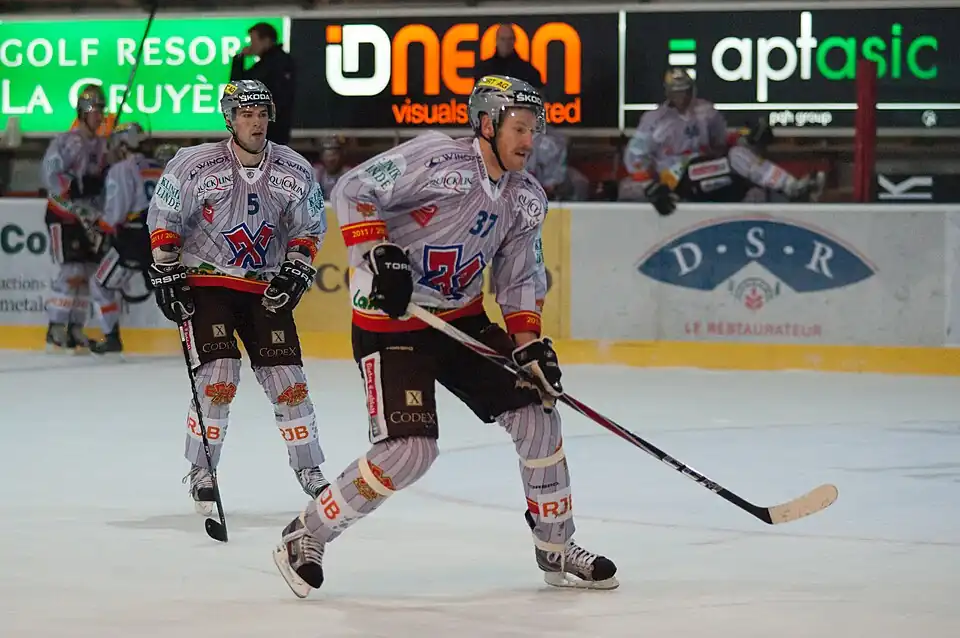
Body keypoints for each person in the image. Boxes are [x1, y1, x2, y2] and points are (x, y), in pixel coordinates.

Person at [272, 74, 618, 598]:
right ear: (486, 123)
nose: (529, 141)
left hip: (459, 321)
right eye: (519, 128)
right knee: (410, 452)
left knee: (537, 414)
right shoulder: (436, 157)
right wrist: (378, 254)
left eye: (533, 130)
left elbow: (520, 278)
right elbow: (353, 189)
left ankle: (556, 548)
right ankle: (305, 535)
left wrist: (527, 343)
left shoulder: (525, 198)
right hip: (392, 325)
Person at [145, 79, 329, 515]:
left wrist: (298, 267)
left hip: (261, 285)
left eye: (262, 114)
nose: (256, 122)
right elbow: (165, 215)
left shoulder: (295, 169)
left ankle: (309, 468)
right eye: (246, 114)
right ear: (228, 118)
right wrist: (167, 271)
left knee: (289, 382)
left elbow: (310, 227)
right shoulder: (193, 163)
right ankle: (202, 470)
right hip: (207, 280)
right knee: (220, 374)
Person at [623, 67, 823, 215]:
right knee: (736, 161)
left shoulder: (706, 111)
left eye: (685, 90)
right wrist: (650, 186)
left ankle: (794, 189)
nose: (681, 97)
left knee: (745, 174)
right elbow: (634, 157)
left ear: (693, 90)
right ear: (667, 92)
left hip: (708, 170)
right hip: (677, 180)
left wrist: (750, 136)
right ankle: (792, 189)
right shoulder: (654, 120)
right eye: (676, 92)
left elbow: (723, 142)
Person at [87, 123, 167, 355]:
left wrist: (101, 224)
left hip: (133, 238)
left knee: (100, 284)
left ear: (123, 144)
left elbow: (115, 214)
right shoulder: (160, 166)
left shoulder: (122, 169)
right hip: (161, 237)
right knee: (171, 289)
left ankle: (111, 338)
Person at [40, 87, 110, 352]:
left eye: (102, 110)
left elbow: (105, 182)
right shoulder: (65, 142)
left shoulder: (102, 145)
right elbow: (51, 176)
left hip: (87, 219)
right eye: (96, 110)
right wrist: (76, 187)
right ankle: (56, 329)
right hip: (63, 215)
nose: (100, 116)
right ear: (83, 111)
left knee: (87, 273)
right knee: (71, 272)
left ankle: (76, 328)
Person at [230, 23, 295, 145]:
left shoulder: (278, 63)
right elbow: (237, 86)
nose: (251, 45)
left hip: (273, 130)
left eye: (253, 40)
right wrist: (239, 59)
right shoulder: (265, 64)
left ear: (266, 41)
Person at [472, 25, 544, 91]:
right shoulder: (483, 70)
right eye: (503, 39)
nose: (506, 43)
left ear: (515, 40)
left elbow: (539, 99)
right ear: (496, 40)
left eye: (510, 39)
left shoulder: (529, 71)